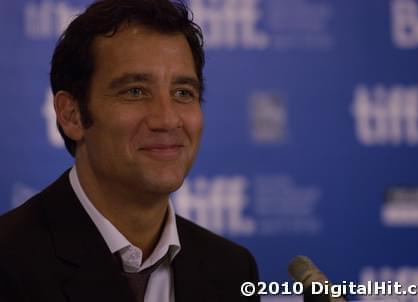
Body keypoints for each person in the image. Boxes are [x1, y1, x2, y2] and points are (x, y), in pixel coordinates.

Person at [0, 0, 260, 301]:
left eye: (183, 93)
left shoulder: (232, 270)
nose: (167, 119)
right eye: (135, 91)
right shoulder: (8, 263)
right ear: (71, 114)